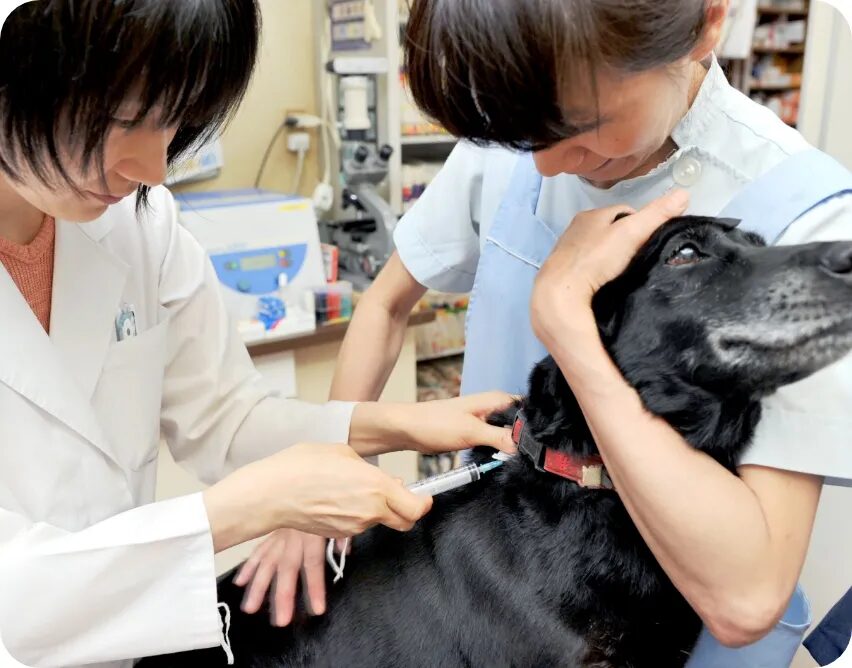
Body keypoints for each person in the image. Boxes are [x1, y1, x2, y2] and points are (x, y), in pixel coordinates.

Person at [291, 0, 850, 666]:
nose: (549, 164)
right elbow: (384, 306)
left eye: (585, 126)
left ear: (705, 26)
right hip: (494, 601)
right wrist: (321, 483)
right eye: (528, 138)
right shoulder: (515, 135)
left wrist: (568, 325)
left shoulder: (806, 224)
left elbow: (747, 595)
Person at [0, 2, 517, 666]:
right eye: (121, 119)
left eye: (175, 119)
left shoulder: (137, 226)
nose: (153, 166)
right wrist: (244, 510)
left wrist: (396, 426)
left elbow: (227, 417)